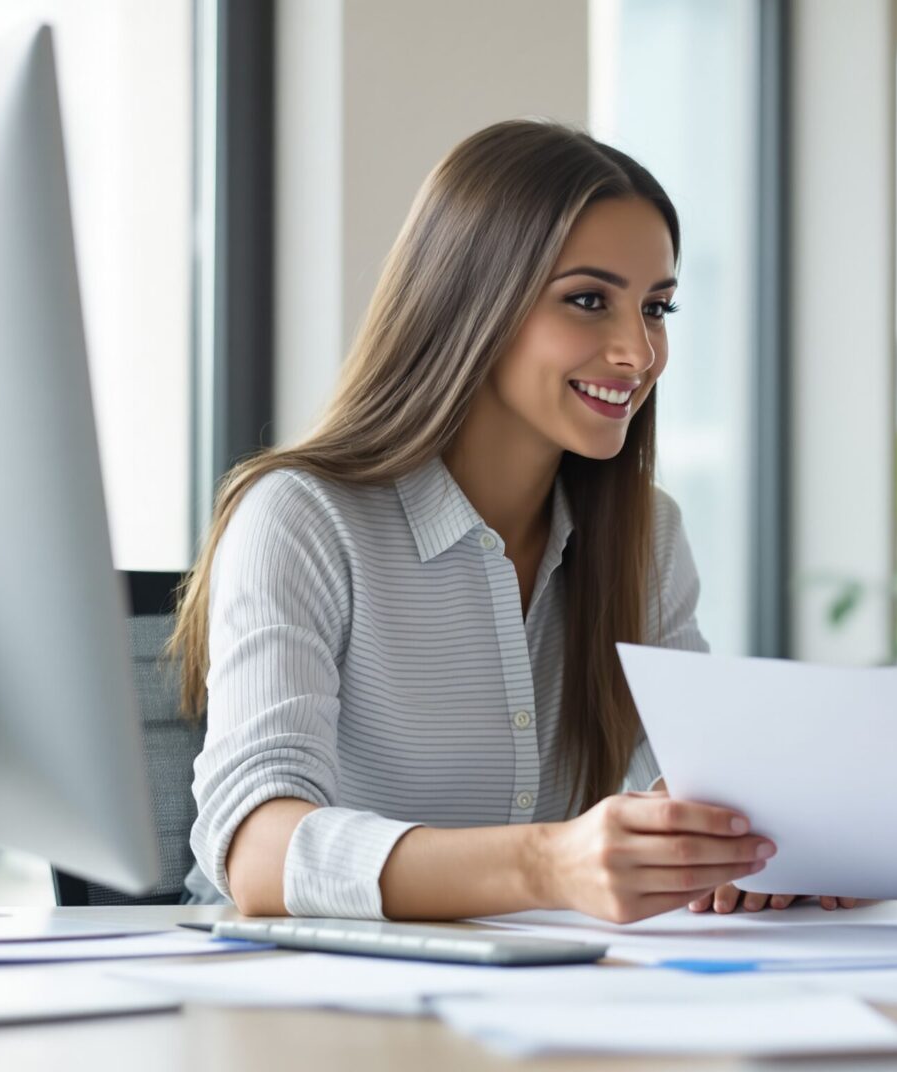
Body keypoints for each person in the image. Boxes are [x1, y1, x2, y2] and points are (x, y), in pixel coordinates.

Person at [176, 120, 845, 921]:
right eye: (589, 301)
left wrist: (738, 843)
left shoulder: (645, 537)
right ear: (472, 300)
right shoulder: (301, 518)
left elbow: (690, 776)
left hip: (543, 1000)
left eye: (657, 308)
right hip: (291, 1007)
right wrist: (549, 862)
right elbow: (257, 852)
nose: (638, 351)